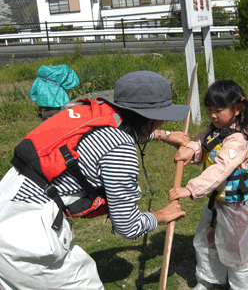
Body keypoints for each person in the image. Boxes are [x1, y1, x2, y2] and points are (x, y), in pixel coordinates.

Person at [0, 70, 190, 290]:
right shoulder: (120, 150)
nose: (163, 120)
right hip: (23, 236)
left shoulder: (87, 113)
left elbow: (114, 134)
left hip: (8, 204)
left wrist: (163, 135)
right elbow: (127, 227)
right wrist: (162, 215)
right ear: (149, 117)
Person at [169, 80, 248, 290]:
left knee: (237, 252)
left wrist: (190, 189)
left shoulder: (239, 140)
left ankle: (242, 287)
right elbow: (203, 142)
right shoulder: (216, 129)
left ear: (237, 109)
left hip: (236, 206)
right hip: (216, 202)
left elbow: (220, 169)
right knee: (207, 242)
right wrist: (191, 150)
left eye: (218, 110)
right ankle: (208, 280)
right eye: (209, 110)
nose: (213, 115)